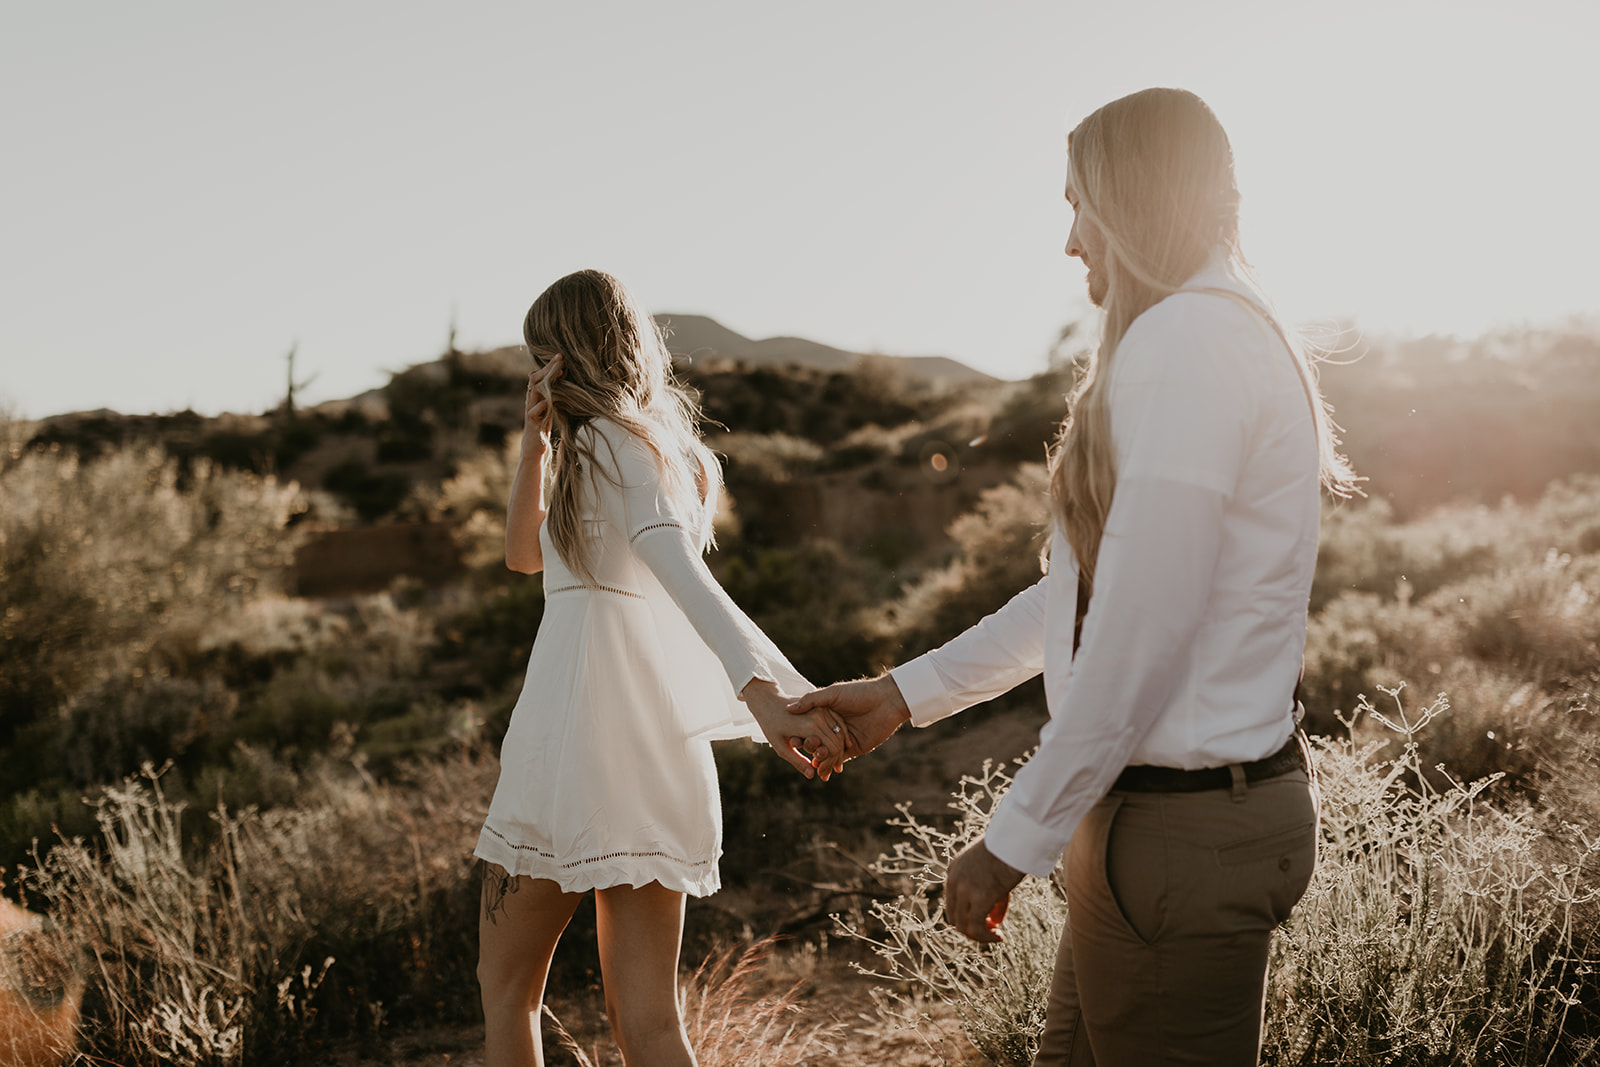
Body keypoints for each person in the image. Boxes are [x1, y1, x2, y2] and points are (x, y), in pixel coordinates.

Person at [790, 87, 1359, 1066]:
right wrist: (901, 695)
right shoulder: (1210, 333)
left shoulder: (1189, 344)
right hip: (1156, 826)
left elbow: (1138, 632)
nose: (1069, 241)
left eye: (1077, 204)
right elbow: (1080, 597)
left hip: (1176, 834)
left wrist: (1014, 836)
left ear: (1132, 200)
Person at [474, 269, 843, 1067]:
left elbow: (685, 577)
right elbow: (521, 554)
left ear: (569, 354)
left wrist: (768, 697)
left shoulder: (610, 445)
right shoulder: (640, 448)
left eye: (542, 355)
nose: (536, 373)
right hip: (644, 749)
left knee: (507, 990)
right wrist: (534, 442)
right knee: (646, 1018)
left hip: (571, 743)